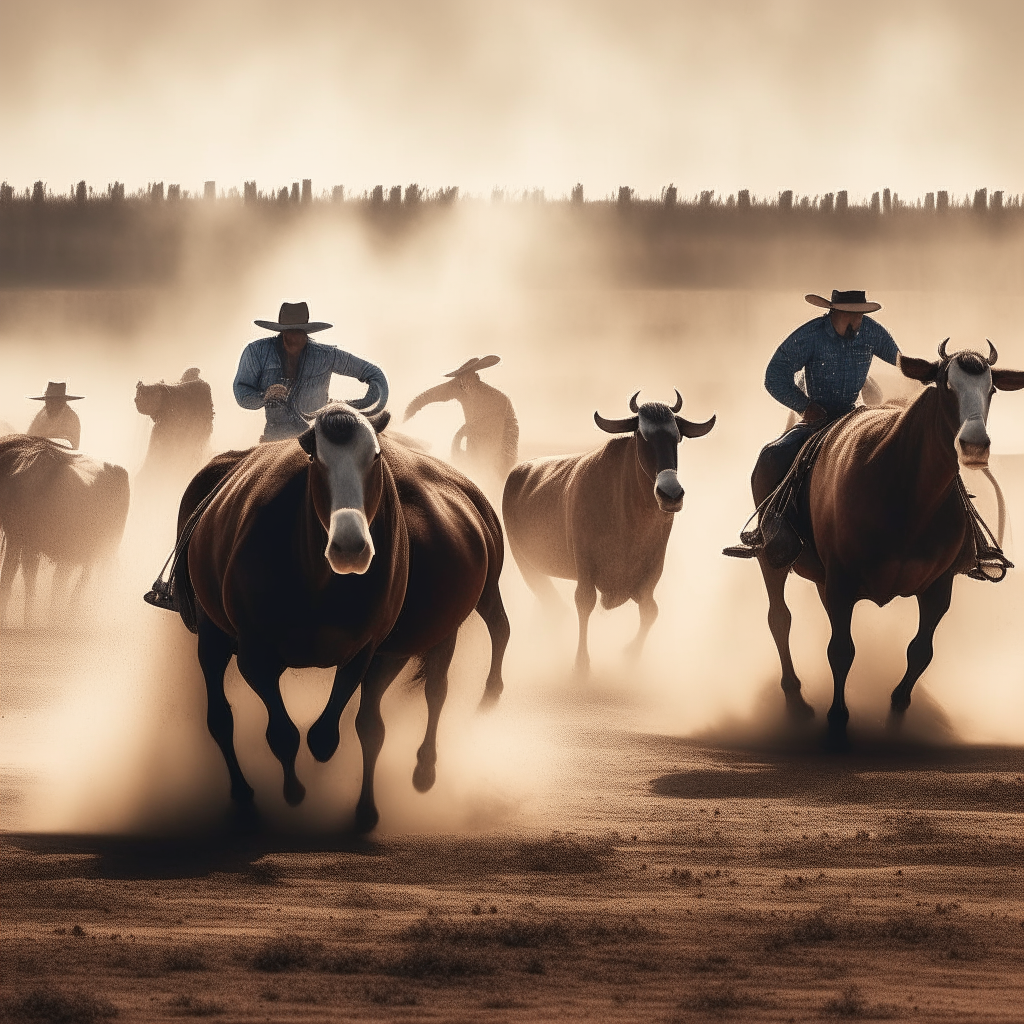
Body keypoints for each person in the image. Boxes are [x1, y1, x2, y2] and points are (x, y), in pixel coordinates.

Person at [724, 289, 899, 559]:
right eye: (853, 316)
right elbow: (775, 375)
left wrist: (935, 371)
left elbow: (902, 362)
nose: (858, 322)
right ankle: (766, 528)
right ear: (835, 313)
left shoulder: (872, 332)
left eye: (861, 316)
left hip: (854, 416)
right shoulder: (810, 335)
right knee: (772, 457)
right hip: (816, 420)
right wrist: (805, 406)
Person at [233, 301, 389, 441]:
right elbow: (242, 390)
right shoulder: (256, 352)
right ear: (282, 334)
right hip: (274, 440)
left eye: (298, 333)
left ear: (306, 334)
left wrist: (352, 406)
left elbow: (374, 373)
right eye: (289, 333)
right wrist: (264, 396)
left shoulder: (326, 355)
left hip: (317, 440)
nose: (294, 339)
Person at [403, 355, 519, 479]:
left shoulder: (496, 399)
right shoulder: (458, 386)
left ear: (474, 377)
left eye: (466, 377)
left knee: (495, 470)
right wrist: (408, 413)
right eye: (460, 379)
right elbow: (427, 396)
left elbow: (494, 438)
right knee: (473, 463)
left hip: (505, 439)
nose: (463, 383)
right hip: (477, 435)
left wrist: (490, 462)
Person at [27, 381, 83, 449]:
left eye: (54, 401)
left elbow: (71, 443)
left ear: (62, 402)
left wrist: (45, 442)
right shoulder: (41, 416)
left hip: (63, 455)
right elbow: (30, 436)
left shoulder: (71, 418)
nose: (49, 404)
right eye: (48, 401)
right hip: (39, 452)